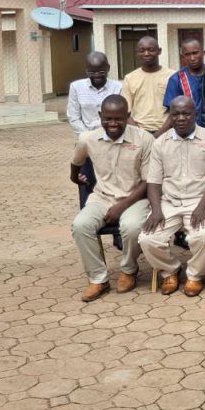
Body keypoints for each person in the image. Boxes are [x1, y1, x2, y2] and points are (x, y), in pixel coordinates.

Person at [138, 96, 205, 297]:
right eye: (175, 114)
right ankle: (170, 270)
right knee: (147, 238)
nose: (180, 118)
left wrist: (202, 207)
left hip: (200, 201)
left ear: (195, 114)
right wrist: (156, 210)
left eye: (186, 113)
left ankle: (195, 276)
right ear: (170, 117)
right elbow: (154, 182)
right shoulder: (160, 143)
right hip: (169, 202)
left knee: (204, 236)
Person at [69, 95, 153, 301]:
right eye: (107, 118)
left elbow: (149, 182)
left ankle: (129, 270)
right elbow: (76, 161)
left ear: (127, 116)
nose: (113, 123)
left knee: (132, 227)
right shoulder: (88, 139)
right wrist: (75, 177)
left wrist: (122, 206)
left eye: (118, 119)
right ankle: (98, 279)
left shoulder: (144, 139)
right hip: (102, 197)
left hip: (135, 197)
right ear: (100, 116)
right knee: (80, 225)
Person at [120, 36, 175, 134]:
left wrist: (159, 134)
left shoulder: (172, 76)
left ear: (159, 51)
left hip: (166, 132)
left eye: (151, 50)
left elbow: (176, 110)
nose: (146, 53)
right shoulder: (130, 78)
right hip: (137, 132)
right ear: (137, 53)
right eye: (142, 50)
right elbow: (125, 112)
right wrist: (141, 135)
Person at [67, 51, 122, 136]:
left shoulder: (118, 87)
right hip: (85, 136)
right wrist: (88, 135)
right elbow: (73, 117)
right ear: (86, 70)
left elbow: (122, 116)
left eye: (101, 72)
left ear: (108, 68)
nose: (97, 75)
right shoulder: (76, 87)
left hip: (112, 135)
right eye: (92, 72)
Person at [163, 38, 205, 126]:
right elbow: (173, 113)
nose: (192, 58)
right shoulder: (176, 79)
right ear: (183, 57)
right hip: (190, 130)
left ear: (203, 53)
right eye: (187, 55)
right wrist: (160, 133)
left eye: (195, 53)